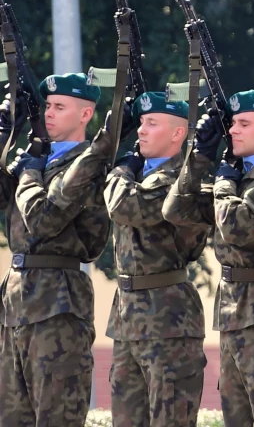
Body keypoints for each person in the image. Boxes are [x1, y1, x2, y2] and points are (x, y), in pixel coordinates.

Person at [164, 89, 254, 427]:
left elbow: (236, 227)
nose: (233, 131)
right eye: (232, 124)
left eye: (244, 123)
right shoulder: (235, 176)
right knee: (237, 417)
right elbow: (176, 209)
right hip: (232, 310)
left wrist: (224, 184)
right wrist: (199, 156)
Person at [0, 75, 110, 427]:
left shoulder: (88, 163)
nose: (49, 113)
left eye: (59, 107)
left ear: (85, 114)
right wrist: (5, 135)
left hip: (58, 301)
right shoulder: (36, 157)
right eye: (47, 106)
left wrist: (30, 174)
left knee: (56, 413)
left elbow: (44, 221)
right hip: (16, 300)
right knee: (11, 416)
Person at [105, 92, 209, 426]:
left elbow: (127, 207)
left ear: (178, 134)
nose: (141, 130)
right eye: (141, 122)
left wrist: (121, 169)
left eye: (152, 123)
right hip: (127, 314)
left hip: (167, 318)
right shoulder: (137, 176)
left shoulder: (183, 180)